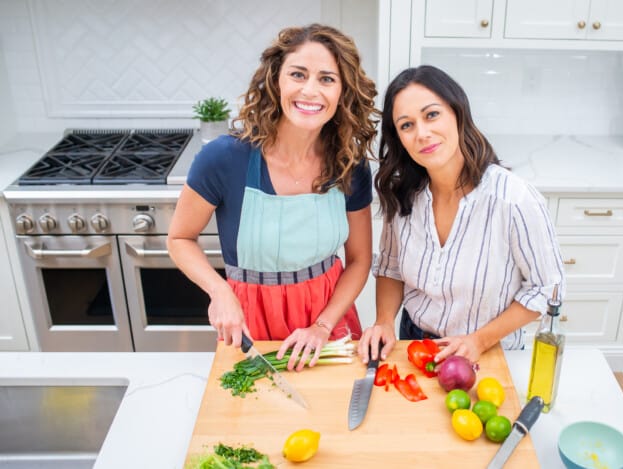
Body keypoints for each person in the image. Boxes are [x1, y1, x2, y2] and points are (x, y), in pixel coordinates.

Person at [168, 24, 378, 371]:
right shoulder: (225, 158)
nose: (310, 91)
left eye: (327, 79)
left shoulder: (349, 165)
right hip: (251, 323)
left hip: (326, 325)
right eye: (298, 74)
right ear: (275, 79)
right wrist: (219, 292)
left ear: (343, 92)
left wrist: (322, 326)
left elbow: (358, 260)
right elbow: (179, 238)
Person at [358, 65, 565, 365]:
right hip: (413, 345)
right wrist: (385, 322)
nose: (422, 133)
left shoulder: (513, 198)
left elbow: (546, 289)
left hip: (490, 349)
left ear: (458, 113)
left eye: (431, 115)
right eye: (407, 125)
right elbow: (391, 269)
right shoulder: (402, 194)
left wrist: (478, 341)